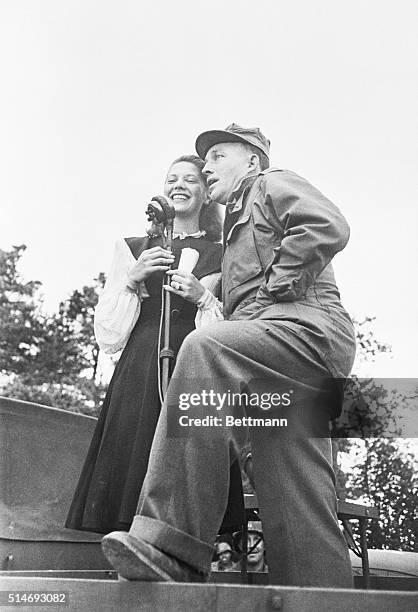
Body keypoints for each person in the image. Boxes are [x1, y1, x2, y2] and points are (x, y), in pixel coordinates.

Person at [101, 123, 356, 587]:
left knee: (203, 349)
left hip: (306, 335)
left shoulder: (270, 184)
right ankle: (324, 594)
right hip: (282, 366)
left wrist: (274, 293)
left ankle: (171, 545)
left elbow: (327, 224)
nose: (207, 166)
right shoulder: (235, 231)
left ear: (252, 161)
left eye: (218, 156)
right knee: (295, 489)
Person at [65, 155, 223, 534]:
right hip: (140, 361)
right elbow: (109, 333)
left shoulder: (223, 252)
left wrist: (202, 296)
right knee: (132, 452)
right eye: (173, 179)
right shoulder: (131, 246)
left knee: (185, 449)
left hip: (192, 360)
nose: (179, 185)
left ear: (205, 194)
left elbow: (224, 327)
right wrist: (133, 278)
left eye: (191, 180)